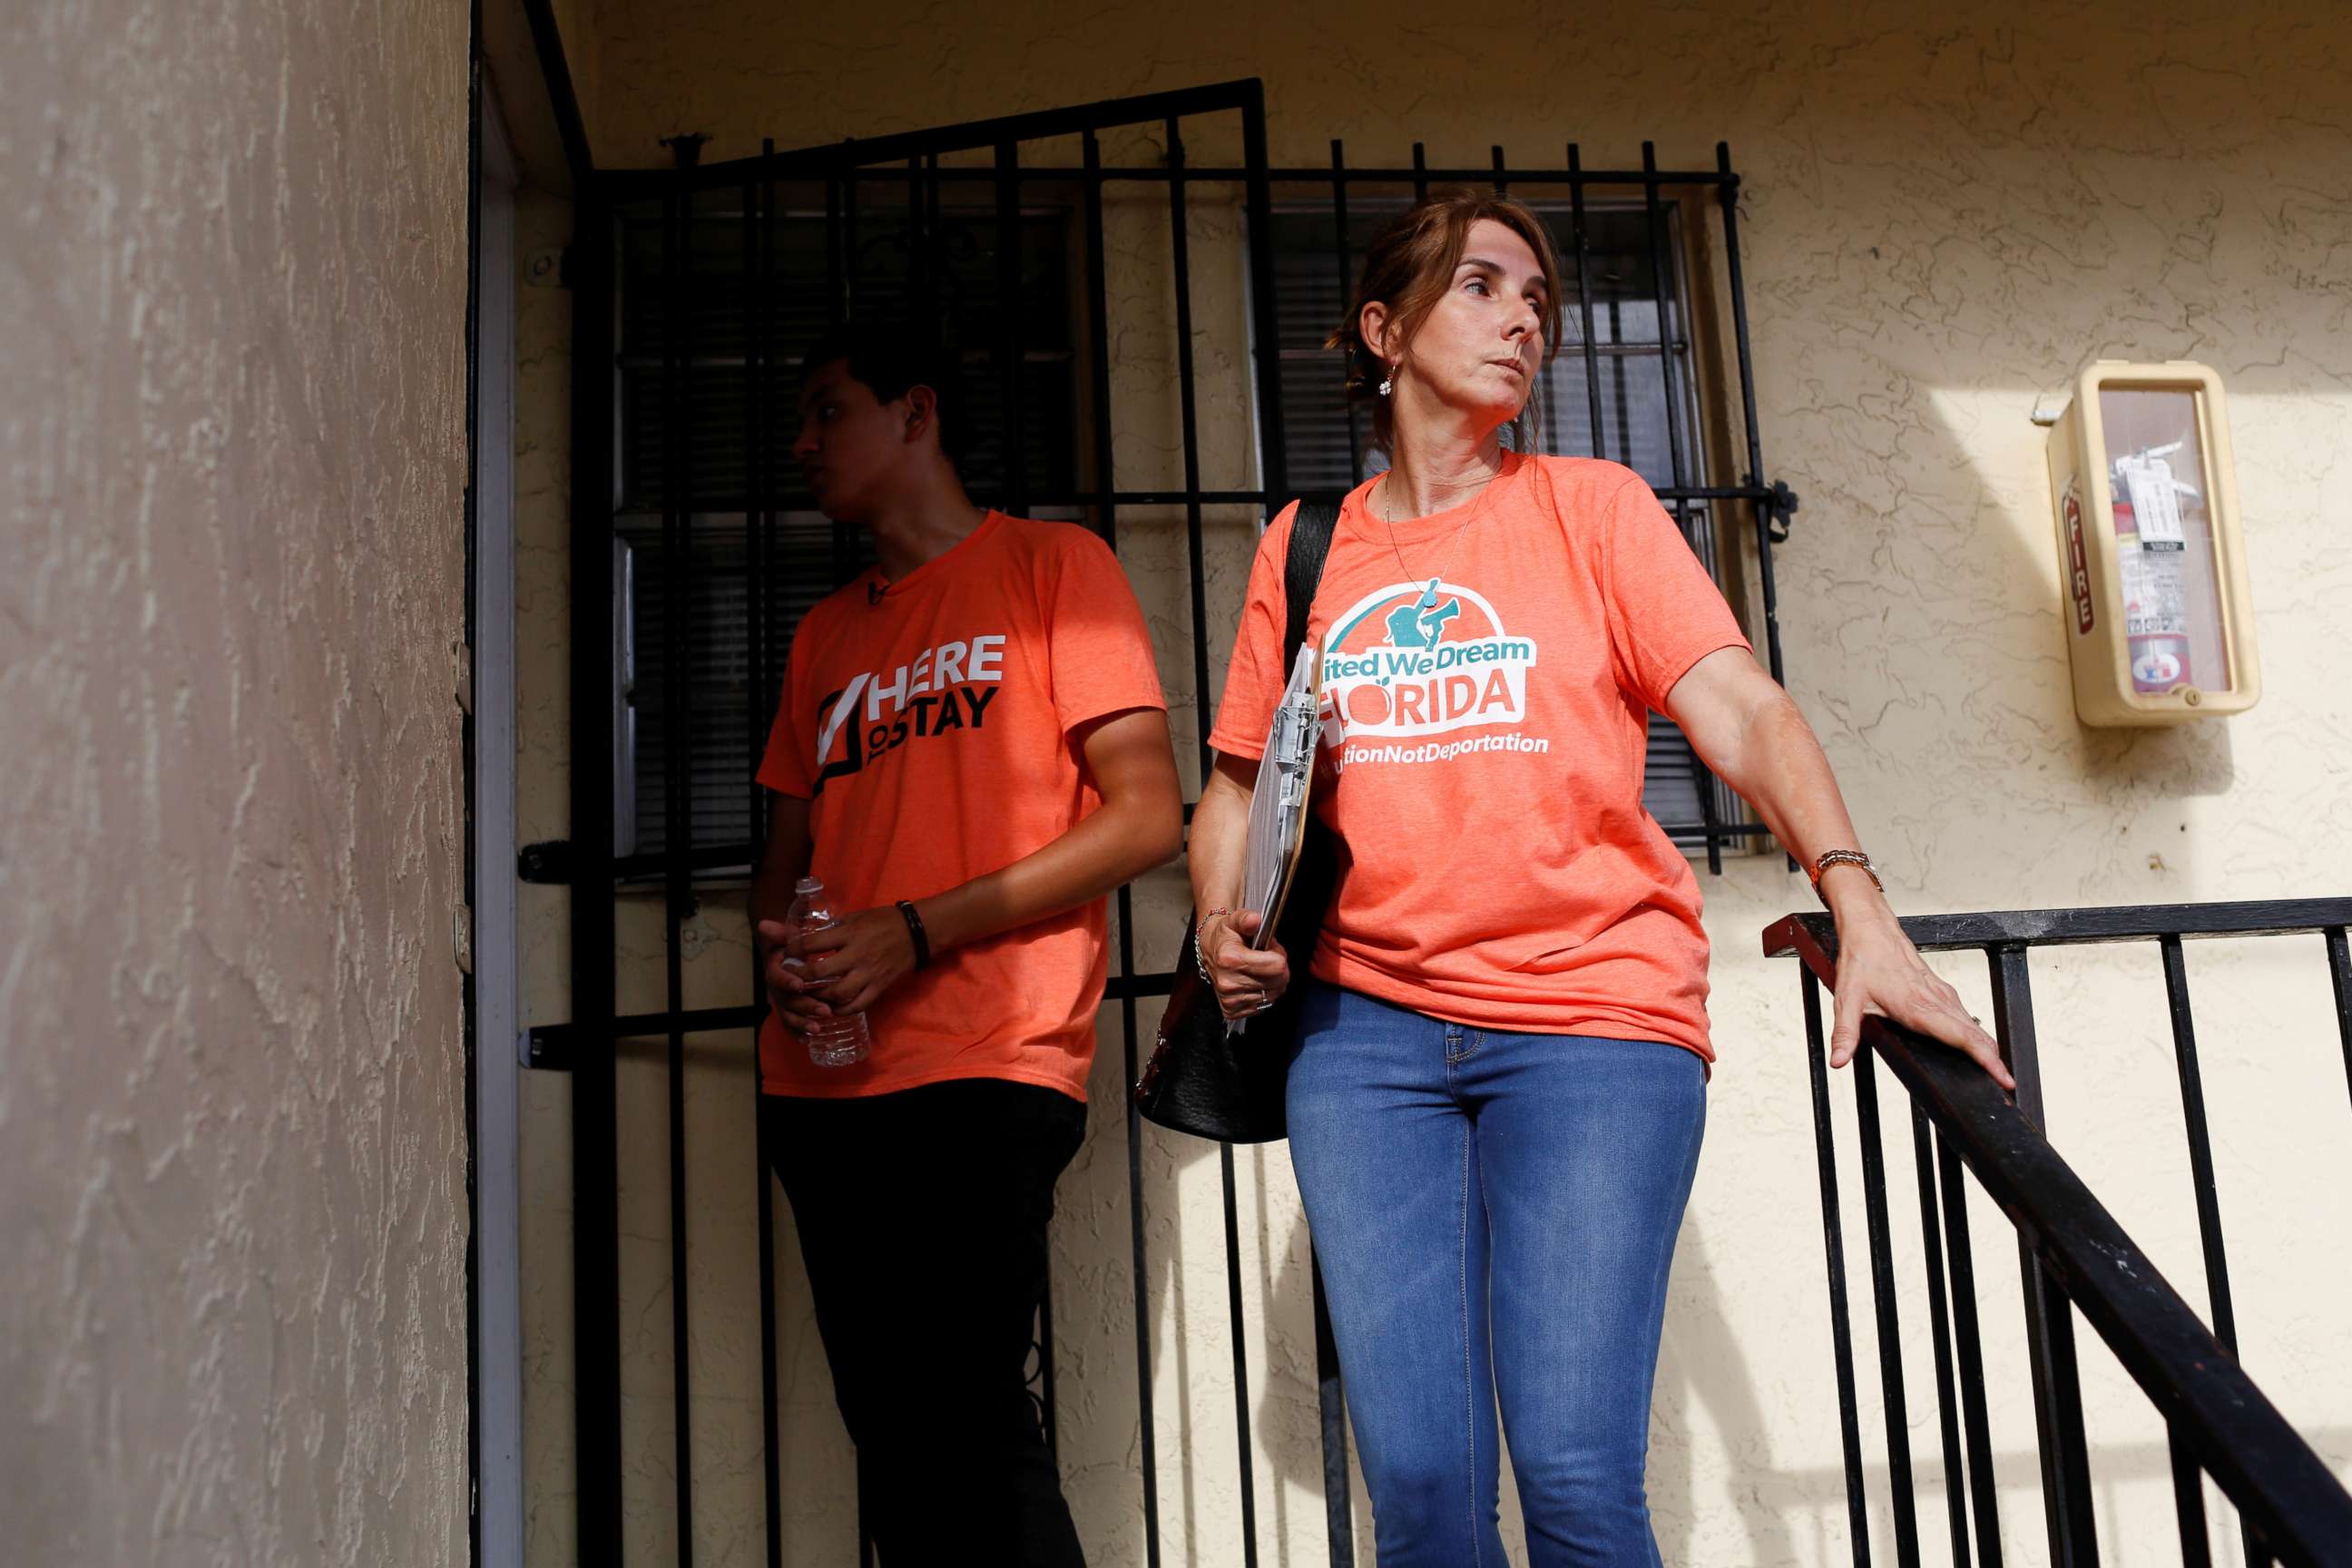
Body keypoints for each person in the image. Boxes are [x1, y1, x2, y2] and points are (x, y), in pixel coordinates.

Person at [1189, 191, 2013, 1567]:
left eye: (1541, 302)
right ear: (1385, 331)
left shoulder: (1593, 509)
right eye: (1485, 287)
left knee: (1573, 1475)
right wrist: (1223, 922)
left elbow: (1744, 710)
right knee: (1426, 1494)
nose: (1525, 319)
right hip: (1363, 1037)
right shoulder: (1305, 548)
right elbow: (1235, 786)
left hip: (1589, 1024)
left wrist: (1858, 899)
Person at [750, 321, 1183, 1566]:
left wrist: (917, 930)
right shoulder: (823, 638)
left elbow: (1147, 814)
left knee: (970, 1419)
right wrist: (786, 951)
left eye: (830, 409)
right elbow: (781, 868)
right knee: (893, 1436)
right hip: (824, 1086)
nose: (804, 441)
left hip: (986, 1065)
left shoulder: (1052, 567)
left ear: (917, 412)